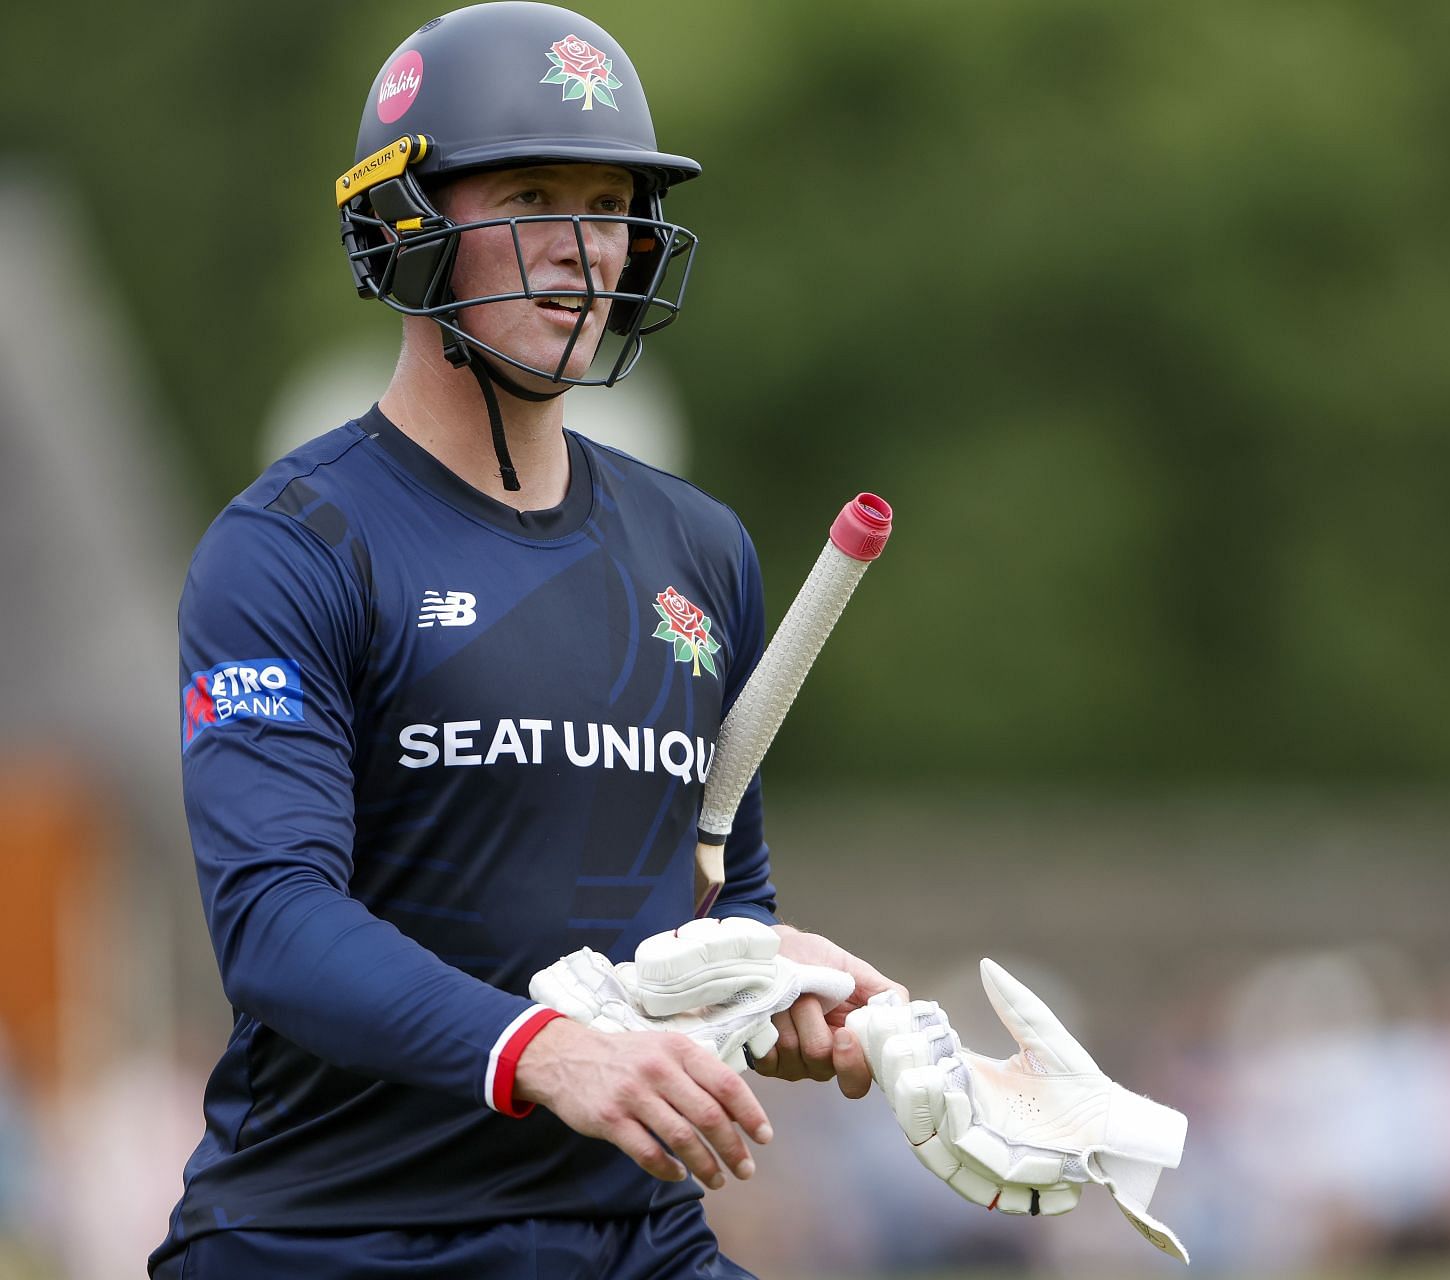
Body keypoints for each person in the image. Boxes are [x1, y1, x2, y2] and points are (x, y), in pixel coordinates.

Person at [150, 5, 897, 1277]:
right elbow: (273, 923)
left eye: (609, 205)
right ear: (407, 222)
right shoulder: (289, 545)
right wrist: (547, 1050)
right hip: (333, 1239)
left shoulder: (700, 547)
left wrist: (769, 992)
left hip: (634, 1238)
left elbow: (723, 887)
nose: (582, 250)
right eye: (535, 195)